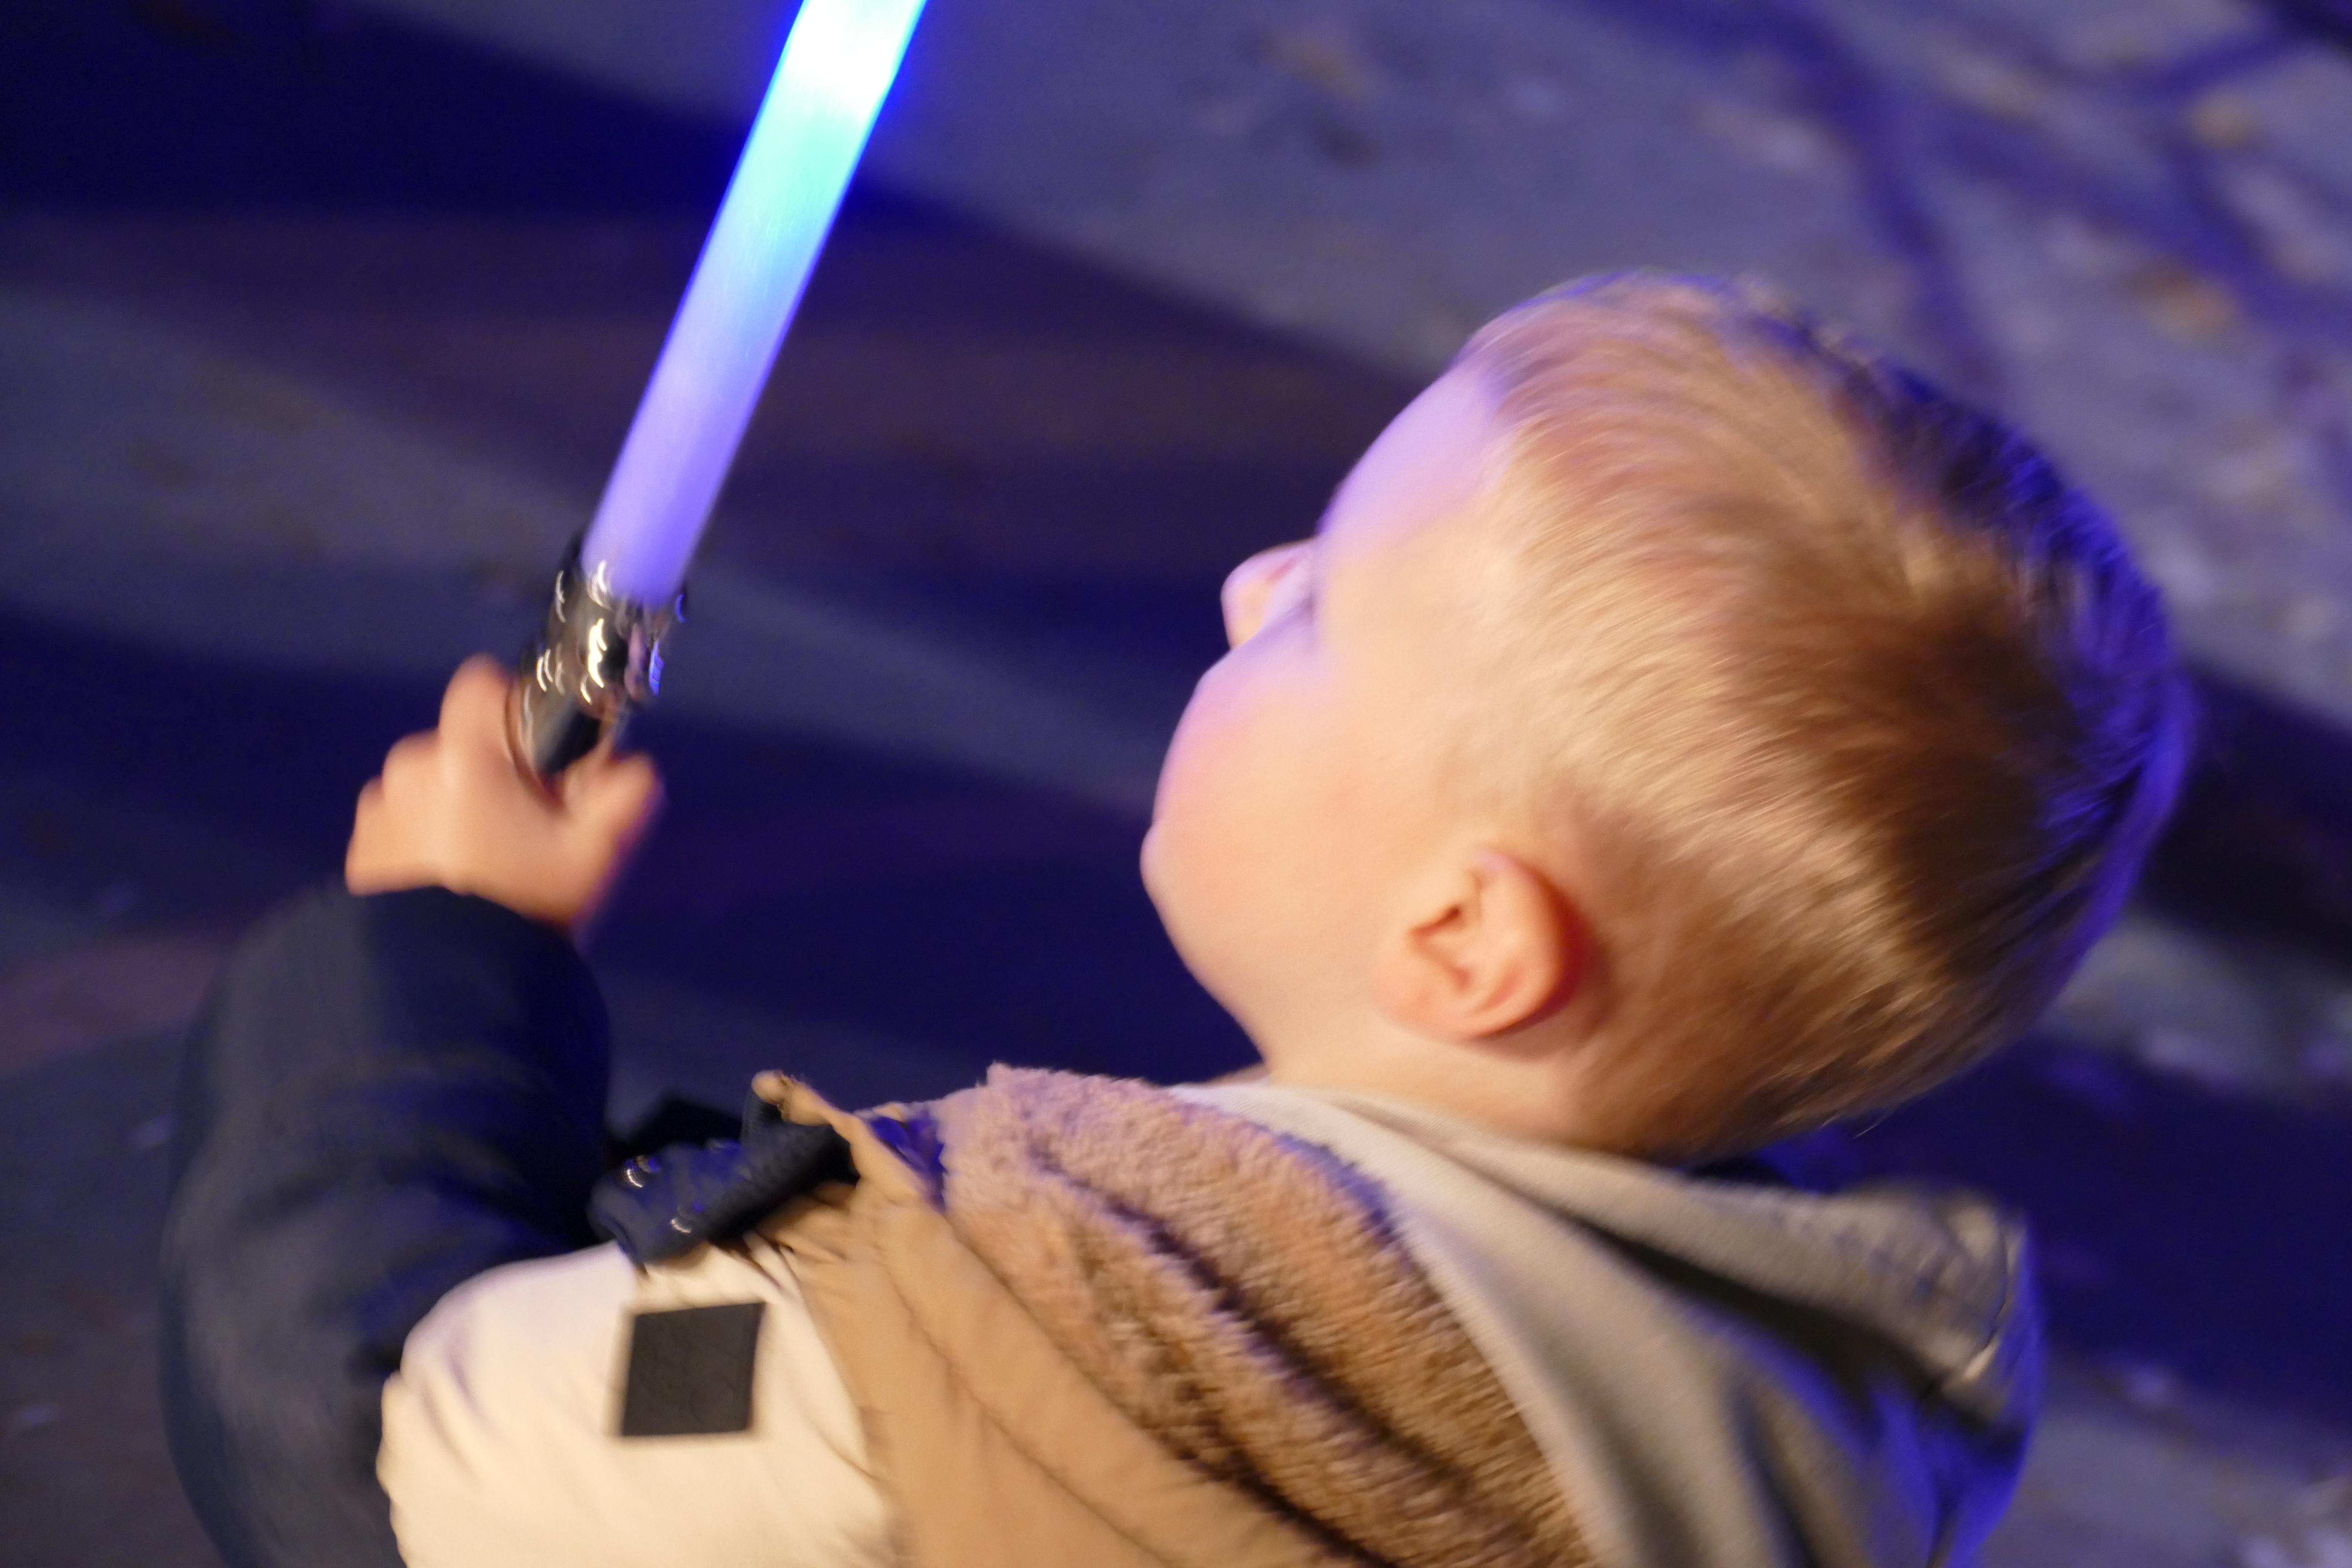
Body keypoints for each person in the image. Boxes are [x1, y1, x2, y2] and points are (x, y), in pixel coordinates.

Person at [160, 273, 2190, 1568]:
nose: (1245, 582)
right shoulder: (1812, 1421)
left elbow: (369, 1449)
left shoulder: (1022, 1330)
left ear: (1467, 942)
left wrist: (436, 967)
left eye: (1321, 608)